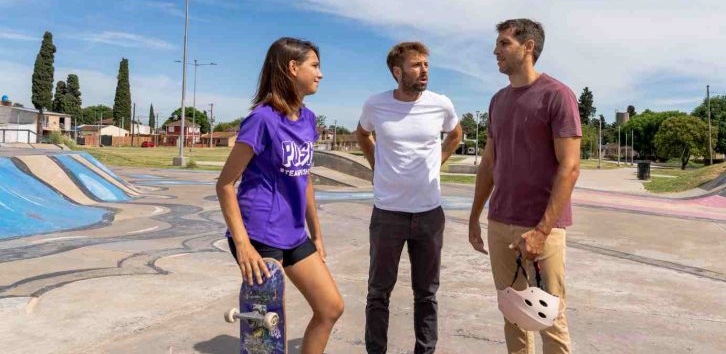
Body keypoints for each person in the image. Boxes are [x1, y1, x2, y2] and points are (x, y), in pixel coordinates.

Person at [217, 37, 344, 354]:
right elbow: (225, 184)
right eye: (314, 65)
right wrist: (243, 244)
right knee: (267, 333)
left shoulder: (309, 120)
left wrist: (316, 233)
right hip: (258, 234)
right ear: (292, 67)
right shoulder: (262, 120)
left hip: (293, 233)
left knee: (330, 307)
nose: (320, 74)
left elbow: (305, 178)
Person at [468, 19, 581, 354]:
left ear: (528, 47)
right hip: (500, 223)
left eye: (504, 44)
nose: (495, 51)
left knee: (549, 317)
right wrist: (475, 217)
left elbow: (570, 167)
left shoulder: (557, 96)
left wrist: (543, 231)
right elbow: (489, 164)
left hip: (541, 227)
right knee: (514, 313)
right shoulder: (497, 101)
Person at [356, 41, 463, 354]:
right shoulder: (375, 105)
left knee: (427, 293)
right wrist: (376, 164)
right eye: (416, 65)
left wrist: (438, 161)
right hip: (388, 213)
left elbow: (456, 134)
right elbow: (362, 134)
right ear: (397, 71)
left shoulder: (441, 104)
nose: (424, 70)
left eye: (426, 65)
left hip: (429, 213)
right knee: (378, 292)